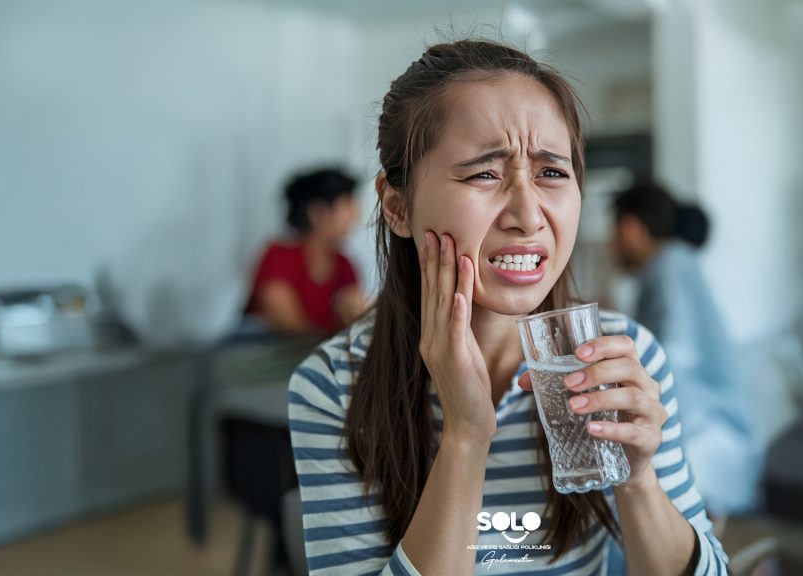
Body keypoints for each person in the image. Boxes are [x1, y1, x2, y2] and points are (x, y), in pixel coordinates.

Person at [288, 40, 729, 575]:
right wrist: (466, 437)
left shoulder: (621, 357)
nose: (528, 215)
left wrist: (638, 480)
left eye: (552, 173)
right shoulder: (334, 385)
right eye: (484, 173)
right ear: (398, 206)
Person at [611, 182, 760, 515]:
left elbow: (670, 360)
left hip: (709, 442)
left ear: (630, 229)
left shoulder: (668, 267)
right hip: (713, 435)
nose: (611, 244)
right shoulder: (675, 263)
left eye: (613, 232)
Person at [246, 167, 367, 334]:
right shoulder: (280, 257)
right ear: (317, 212)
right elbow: (287, 326)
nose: (355, 214)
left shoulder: (344, 265)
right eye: (347, 204)